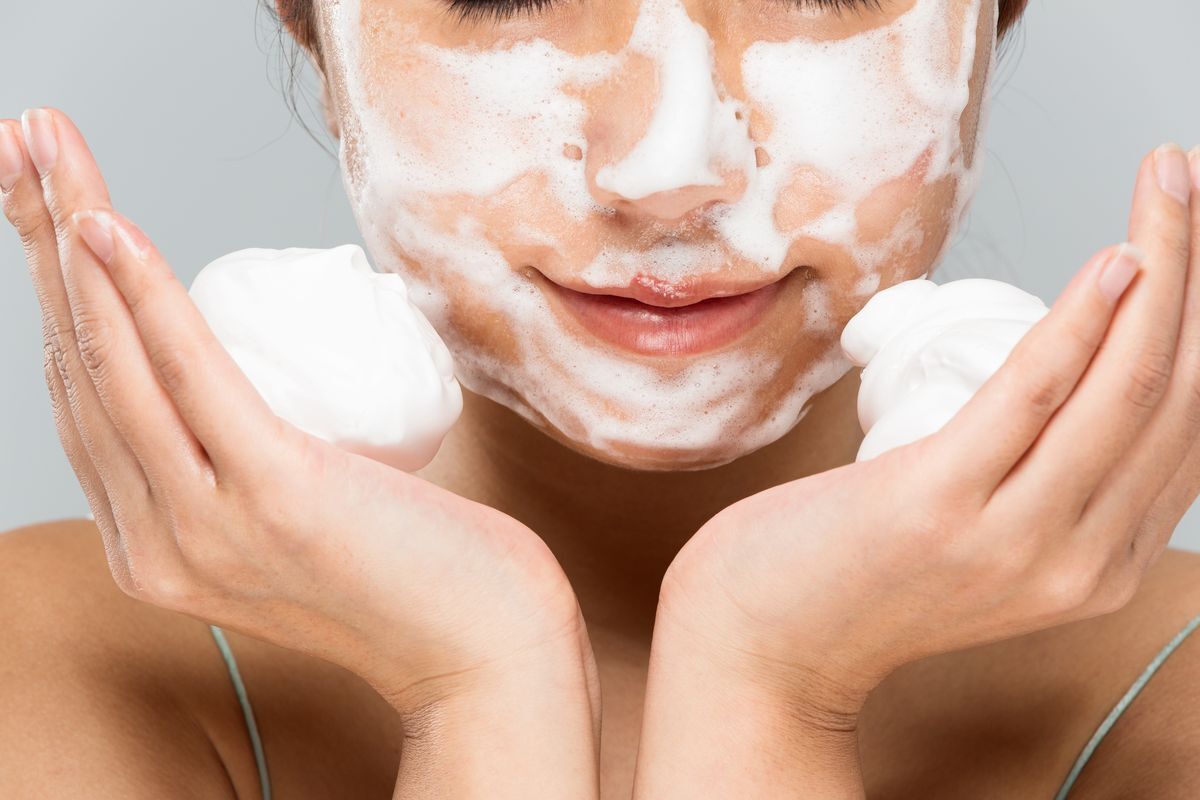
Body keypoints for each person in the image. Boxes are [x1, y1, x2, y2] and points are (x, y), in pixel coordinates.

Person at [2, 0, 1199, 797]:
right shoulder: (51, 669)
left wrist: (772, 674)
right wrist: (478, 676)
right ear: (312, 27)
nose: (670, 168)